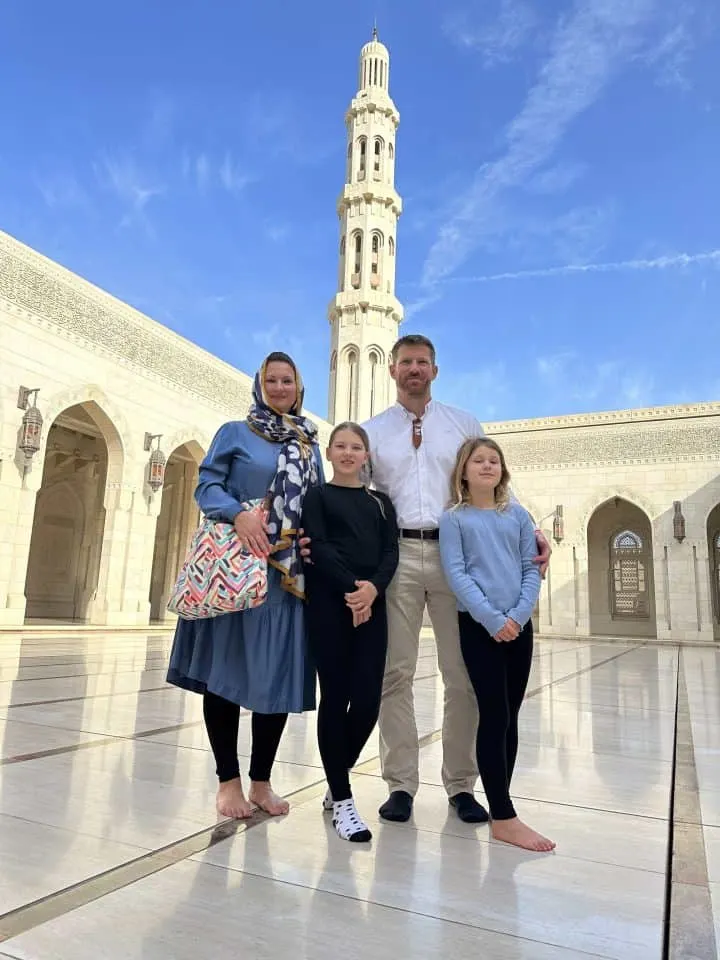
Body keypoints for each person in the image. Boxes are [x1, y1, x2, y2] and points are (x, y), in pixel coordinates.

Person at [350, 334, 551, 825]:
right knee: (394, 673)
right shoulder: (374, 431)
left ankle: (461, 785)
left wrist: (532, 526)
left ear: (434, 371)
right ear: (392, 370)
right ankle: (400, 783)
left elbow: (492, 481)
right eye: (405, 363)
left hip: (456, 556)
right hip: (396, 554)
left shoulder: (462, 424)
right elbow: (357, 495)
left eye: (422, 362)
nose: (414, 370)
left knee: (461, 676)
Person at [166, 352, 323, 821]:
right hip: (239, 567)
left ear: (299, 387)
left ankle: (261, 782)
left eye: (287, 381)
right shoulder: (236, 432)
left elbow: (313, 502)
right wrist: (238, 514)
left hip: (285, 576)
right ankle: (228, 781)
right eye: (271, 381)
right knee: (228, 674)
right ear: (259, 386)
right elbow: (206, 486)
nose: (279, 388)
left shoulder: (308, 442)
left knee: (274, 676)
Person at [439, 437, 554, 852]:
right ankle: (504, 817)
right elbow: (457, 574)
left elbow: (531, 567)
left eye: (494, 461)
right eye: (478, 461)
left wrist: (518, 617)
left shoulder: (518, 517)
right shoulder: (454, 519)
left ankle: (501, 804)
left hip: (518, 628)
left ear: (502, 471)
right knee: (494, 712)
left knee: (512, 714)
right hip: (479, 627)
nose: (487, 466)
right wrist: (492, 619)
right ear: (464, 471)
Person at [301, 422, 399, 843]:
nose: (347, 452)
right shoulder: (318, 495)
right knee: (335, 698)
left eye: (355, 447)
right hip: (330, 605)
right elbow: (318, 546)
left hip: (372, 605)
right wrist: (351, 591)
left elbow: (391, 550)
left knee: (367, 703)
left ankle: (334, 776)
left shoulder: (380, 503)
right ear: (329, 452)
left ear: (366, 455)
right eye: (340, 445)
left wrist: (372, 589)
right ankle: (342, 801)